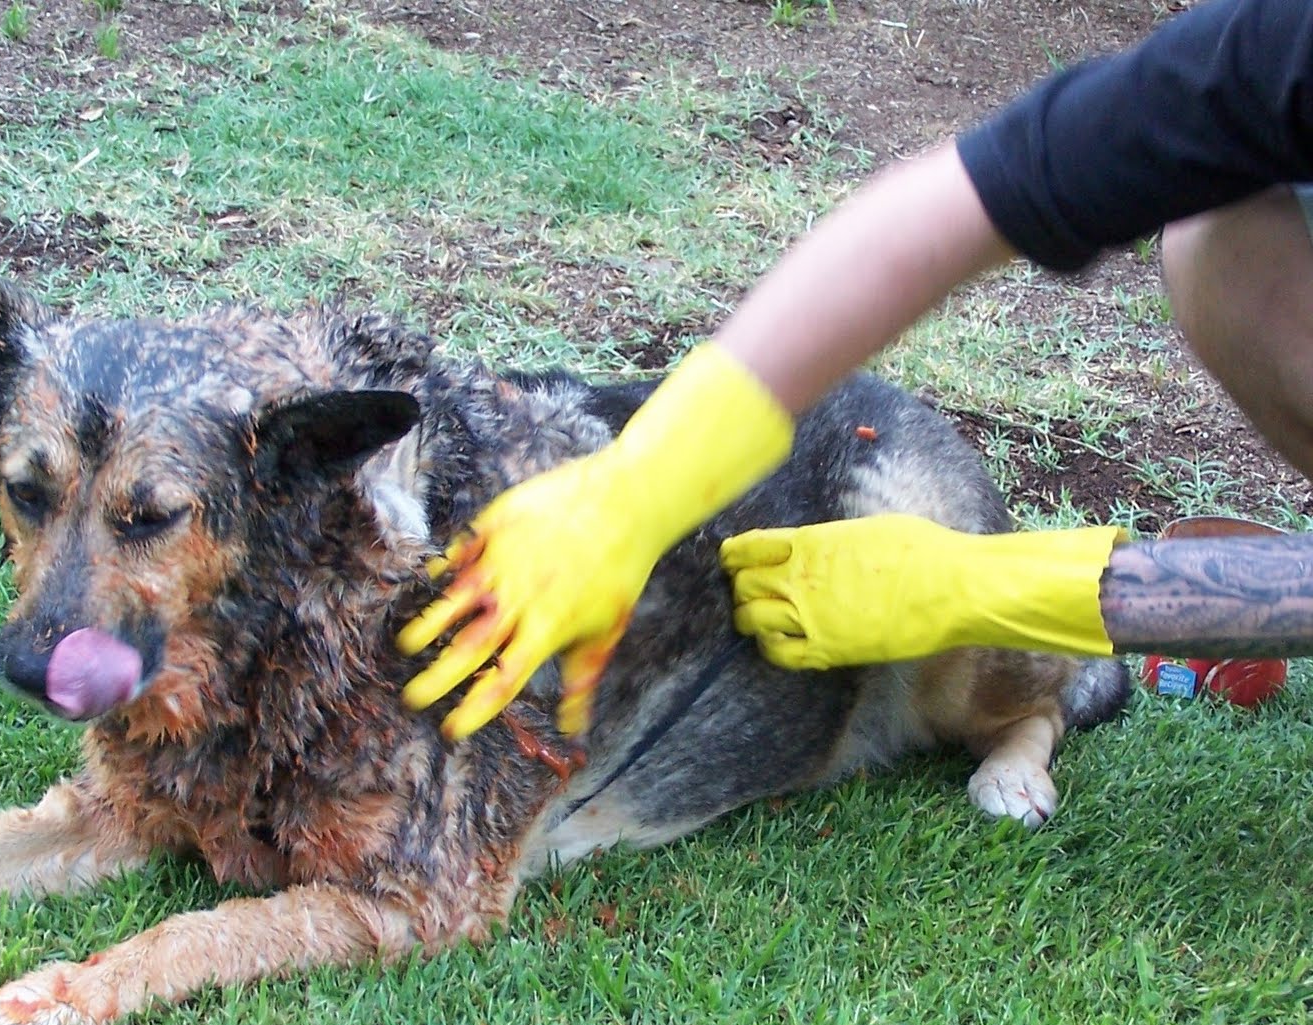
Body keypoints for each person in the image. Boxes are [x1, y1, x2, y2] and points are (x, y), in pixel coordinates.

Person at [396, 0, 1313, 741]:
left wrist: (992, 590)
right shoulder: (1283, 46)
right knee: (1223, 240)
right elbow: (961, 205)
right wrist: (638, 487)